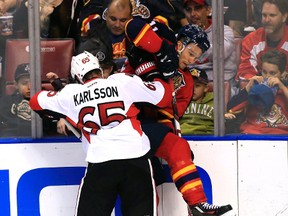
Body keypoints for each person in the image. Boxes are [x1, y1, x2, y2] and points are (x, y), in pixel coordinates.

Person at [30, 51, 174, 215]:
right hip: (136, 157)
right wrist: (151, 71)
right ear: (99, 69)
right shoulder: (122, 81)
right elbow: (163, 96)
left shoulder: (71, 93)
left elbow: (36, 101)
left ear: (77, 76)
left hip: (101, 161)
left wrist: (62, 100)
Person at [123, 18, 233, 215]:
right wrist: (161, 49)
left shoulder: (187, 81)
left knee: (173, 150)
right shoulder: (157, 43)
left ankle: (197, 204)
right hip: (122, 121)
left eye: (196, 58)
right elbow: (132, 26)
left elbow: (168, 116)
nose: (192, 60)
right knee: (145, 178)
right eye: (191, 53)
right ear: (179, 44)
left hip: (144, 128)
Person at [182, 0, 238, 95]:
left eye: (197, 8)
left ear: (208, 10)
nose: (192, 14)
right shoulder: (182, 35)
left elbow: (220, 53)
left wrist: (196, 47)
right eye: (188, 9)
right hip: (193, 85)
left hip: (221, 86)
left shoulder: (224, 30)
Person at [226, 49, 288, 134]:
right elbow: (231, 108)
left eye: (272, 73)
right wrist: (249, 87)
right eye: (264, 72)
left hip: (280, 136)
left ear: (282, 74)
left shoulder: (285, 90)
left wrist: (282, 87)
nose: (267, 76)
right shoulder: (255, 89)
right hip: (252, 133)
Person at [236, 0, 288, 81]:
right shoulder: (251, 40)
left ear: (284, 16)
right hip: (258, 92)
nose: (267, 20)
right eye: (264, 15)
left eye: (272, 15)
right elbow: (245, 73)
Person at [0, 63, 56, 137]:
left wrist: (63, 119)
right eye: (24, 83)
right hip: (12, 144)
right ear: (16, 84)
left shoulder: (49, 101)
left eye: (33, 82)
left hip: (43, 143)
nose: (29, 87)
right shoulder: (5, 102)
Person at [180, 67, 214, 135]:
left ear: (206, 88)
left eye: (197, 86)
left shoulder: (214, 102)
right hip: (183, 137)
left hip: (208, 139)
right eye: (189, 85)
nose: (193, 89)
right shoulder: (178, 101)